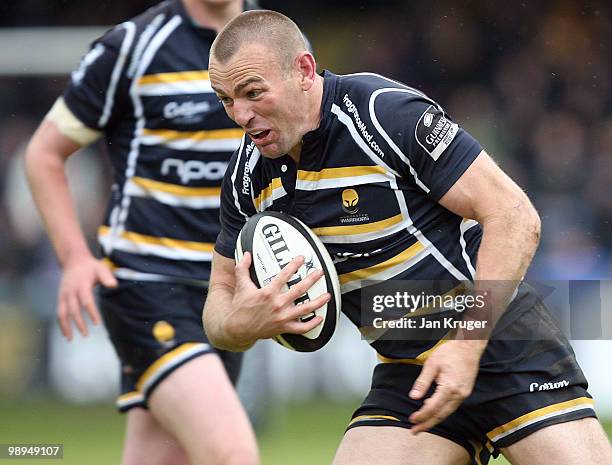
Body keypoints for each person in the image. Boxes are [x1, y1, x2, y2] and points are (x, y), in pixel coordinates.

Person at [202, 10, 612, 465]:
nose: (240, 115)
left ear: (302, 70)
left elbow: (515, 217)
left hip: (500, 341)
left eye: (253, 93)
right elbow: (217, 303)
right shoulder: (247, 178)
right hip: (410, 372)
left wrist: (465, 347)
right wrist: (241, 324)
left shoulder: (382, 112)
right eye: (226, 100)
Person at [25, 2, 260, 465]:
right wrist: (75, 258)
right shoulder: (133, 46)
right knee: (232, 454)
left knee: (163, 457)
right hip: (145, 281)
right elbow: (43, 154)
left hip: (227, 288)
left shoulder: (272, 37)